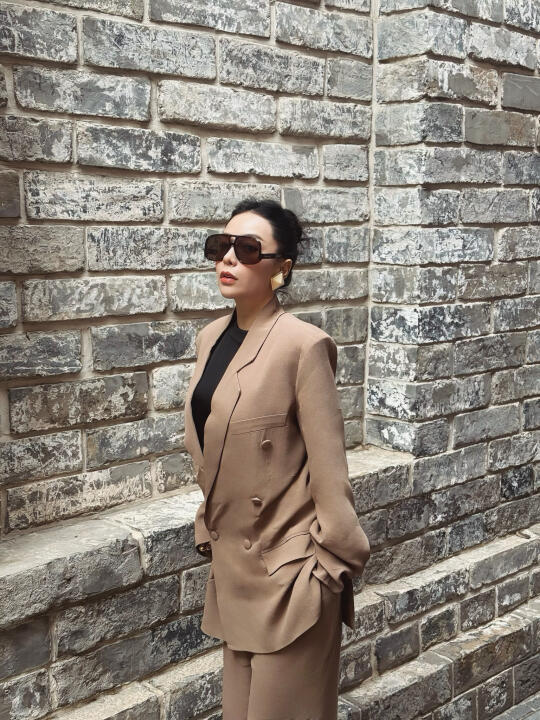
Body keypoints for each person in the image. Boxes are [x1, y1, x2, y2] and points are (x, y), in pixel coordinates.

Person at [183, 198, 371, 720]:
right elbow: (214, 450)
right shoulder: (210, 339)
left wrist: (328, 570)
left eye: (247, 249)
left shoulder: (302, 346)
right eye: (221, 246)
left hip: (291, 582)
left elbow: (330, 474)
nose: (228, 259)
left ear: (280, 268)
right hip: (236, 575)